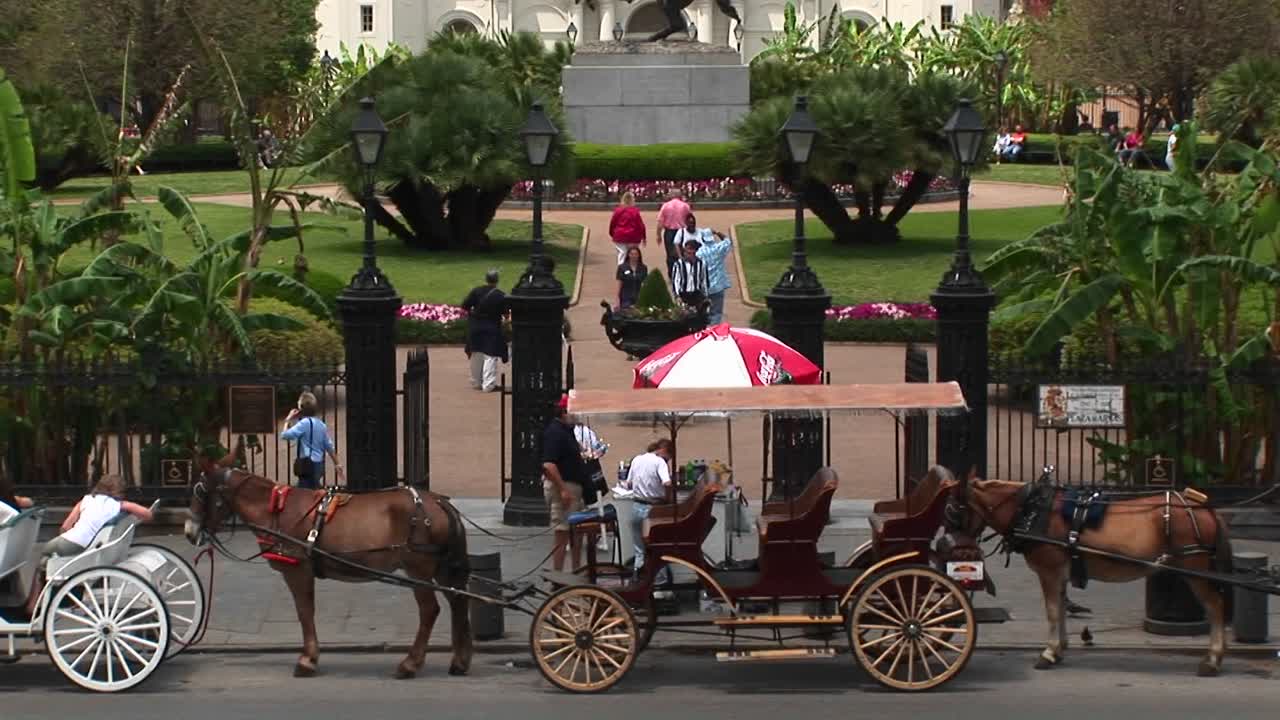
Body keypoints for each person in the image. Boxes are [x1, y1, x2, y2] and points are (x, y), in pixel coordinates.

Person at [27, 474, 153, 615]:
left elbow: (65, 526)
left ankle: (32, 605)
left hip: (69, 541)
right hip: (88, 546)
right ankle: (68, 598)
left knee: (42, 560)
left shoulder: (86, 500)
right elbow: (147, 514)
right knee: (48, 561)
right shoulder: (119, 505)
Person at [542, 395, 592, 572]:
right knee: (562, 532)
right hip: (565, 487)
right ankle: (558, 575)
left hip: (574, 488)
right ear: (564, 412)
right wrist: (563, 490)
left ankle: (576, 570)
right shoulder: (555, 432)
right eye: (574, 412)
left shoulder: (567, 430)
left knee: (577, 532)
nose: (577, 416)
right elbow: (549, 464)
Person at [621, 438, 675, 583]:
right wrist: (667, 498)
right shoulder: (660, 462)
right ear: (665, 451)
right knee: (657, 549)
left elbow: (628, 484)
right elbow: (667, 483)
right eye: (669, 458)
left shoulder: (637, 459)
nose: (668, 461)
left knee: (639, 550)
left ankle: (639, 580)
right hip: (653, 510)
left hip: (636, 507)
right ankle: (660, 583)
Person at [281, 391, 343, 490]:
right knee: (313, 491)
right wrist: (337, 464)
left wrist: (288, 419)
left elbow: (285, 435)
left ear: (301, 407)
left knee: (304, 494)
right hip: (319, 464)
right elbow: (329, 447)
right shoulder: (321, 425)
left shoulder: (303, 424)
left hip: (307, 465)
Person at [461, 269, 509, 393]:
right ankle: (488, 384)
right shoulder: (500, 295)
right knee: (490, 356)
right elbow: (506, 313)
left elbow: (465, 305)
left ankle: (476, 382)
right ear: (497, 280)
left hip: (475, 326)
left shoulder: (476, 291)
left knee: (476, 353)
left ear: (486, 279)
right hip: (492, 327)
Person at [696, 229, 733, 325]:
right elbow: (728, 241)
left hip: (704, 287)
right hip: (718, 286)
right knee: (716, 313)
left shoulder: (699, 253)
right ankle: (713, 330)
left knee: (702, 311)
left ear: (702, 239)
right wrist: (717, 232)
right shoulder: (718, 249)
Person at [656, 189, 691, 276]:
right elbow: (690, 220)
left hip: (669, 232)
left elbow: (660, 222)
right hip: (682, 231)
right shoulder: (685, 206)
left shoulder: (665, 206)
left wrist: (658, 235)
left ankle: (672, 273)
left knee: (670, 254)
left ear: (671, 195)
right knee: (683, 252)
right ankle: (682, 271)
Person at [608, 191, 646, 266]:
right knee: (632, 256)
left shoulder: (618, 210)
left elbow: (613, 223)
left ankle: (621, 272)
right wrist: (643, 237)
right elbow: (640, 225)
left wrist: (612, 234)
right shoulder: (635, 211)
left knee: (622, 254)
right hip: (633, 237)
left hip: (620, 236)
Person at [670, 238, 709, 309]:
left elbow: (704, 280)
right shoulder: (678, 264)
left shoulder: (701, 263)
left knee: (700, 317)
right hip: (684, 294)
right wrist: (677, 296)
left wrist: (706, 295)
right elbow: (676, 281)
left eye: (692, 253)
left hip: (697, 294)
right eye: (687, 252)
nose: (689, 255)